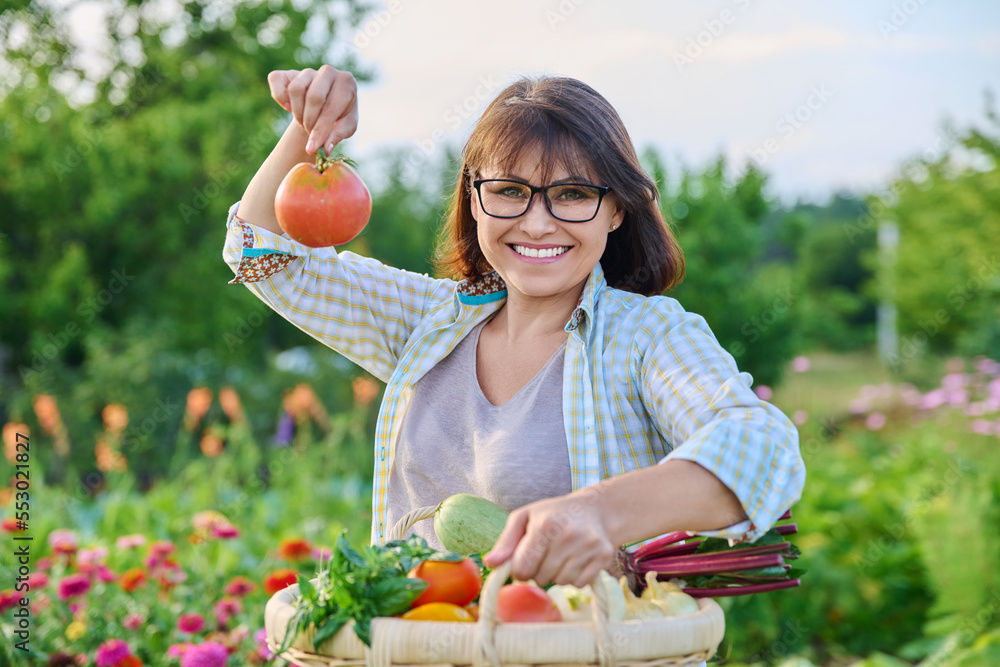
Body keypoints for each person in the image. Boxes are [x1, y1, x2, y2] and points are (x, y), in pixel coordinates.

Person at [224, 65, 806, 590]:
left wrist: (599, 514)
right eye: (508, 191)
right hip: (426, 646)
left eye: (573, 194)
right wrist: (310, 129)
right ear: (474, 200)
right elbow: (261, 256)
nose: (537, 223)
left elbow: (762, 447)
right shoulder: (431, 323)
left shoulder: (646, 338)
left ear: (617, 209)